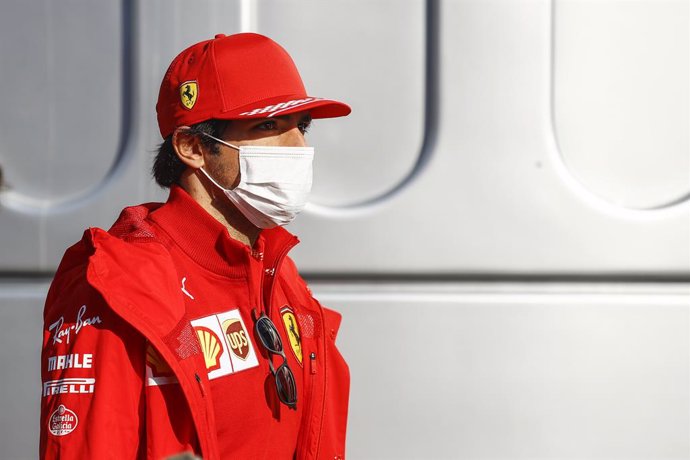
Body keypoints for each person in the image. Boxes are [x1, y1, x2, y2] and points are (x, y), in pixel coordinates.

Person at [40, 33, 351, 460]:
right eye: (268, 126)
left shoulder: (279, 273)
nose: (299, 147)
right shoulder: (120, 285)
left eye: (302, 126)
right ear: (192, 148)